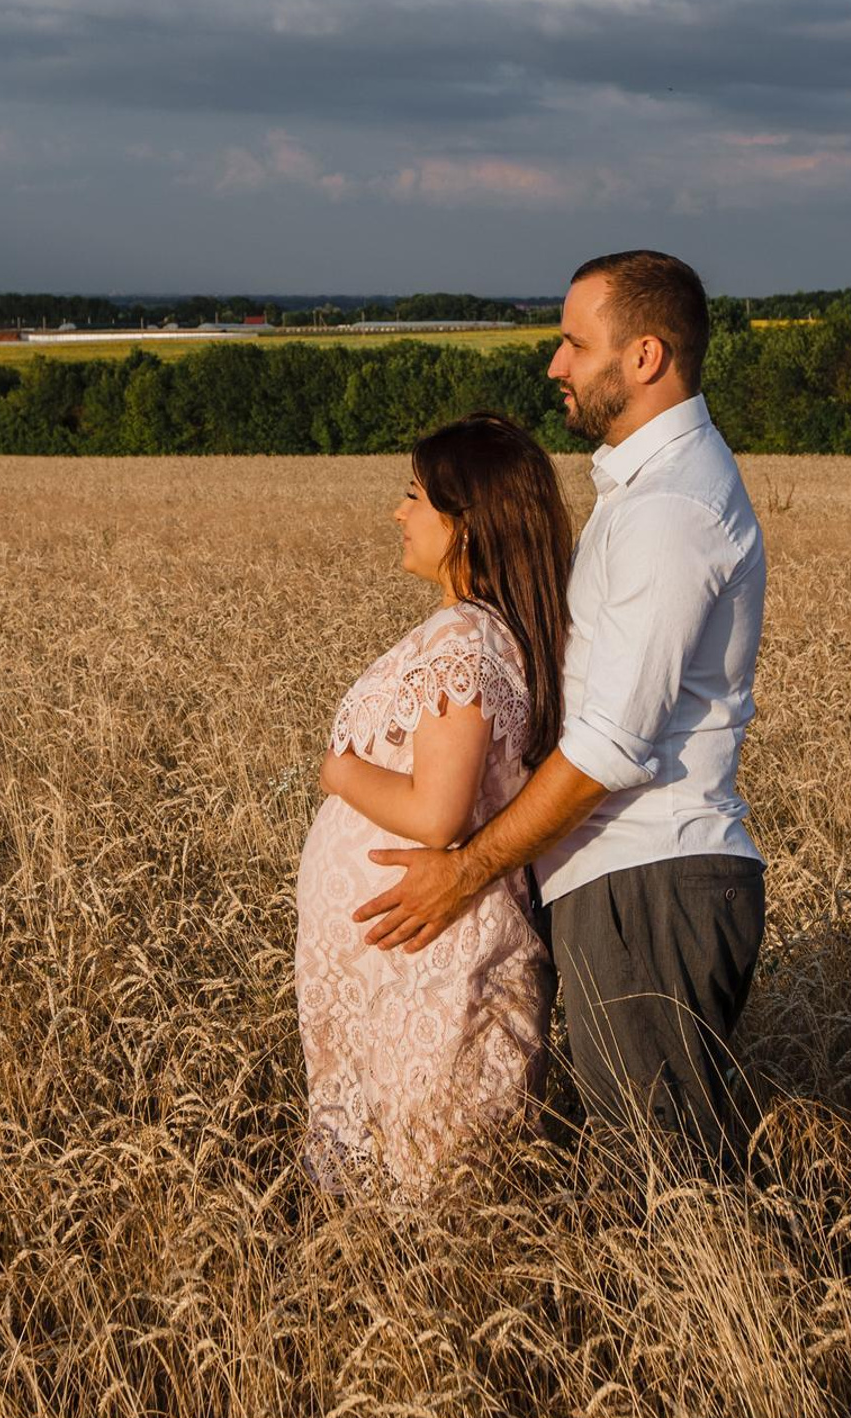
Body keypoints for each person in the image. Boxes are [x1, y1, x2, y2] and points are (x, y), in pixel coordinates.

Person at [355, 250, 767, 1162]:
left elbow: (611, 748)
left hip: (649, 880)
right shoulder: (648, 493)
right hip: (628, 883)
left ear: (646, 357)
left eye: (575, 345)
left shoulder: (672, 512)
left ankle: (736, 1309)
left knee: (664, 1184)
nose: (556, 366)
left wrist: (464, 871)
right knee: (645, 1169)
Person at [295, 413, 570, 1192]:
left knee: (424, 1195)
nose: (398, 513)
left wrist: (340, 773)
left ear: (466, 526)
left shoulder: (466, 641)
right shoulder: (478, 633)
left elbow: (438, 813)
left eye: (415, 496)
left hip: (433, 968)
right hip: (405, 969)